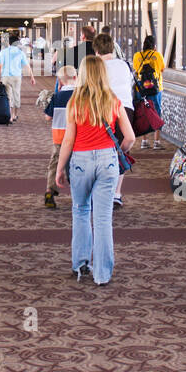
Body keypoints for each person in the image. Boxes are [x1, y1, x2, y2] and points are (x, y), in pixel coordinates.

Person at [55, 54, 135, 286]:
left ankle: (80, 264)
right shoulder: (113, 100)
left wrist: (60, 168)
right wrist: (116, 151)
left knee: (80, 211)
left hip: (80, 160)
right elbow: (129, 138)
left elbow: (68, 140)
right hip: (107, 160)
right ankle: (102, 274)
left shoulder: (75, 102)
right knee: (102, 219)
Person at [93, 32, 135, 208]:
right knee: (121, 148)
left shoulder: (96, 67)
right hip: (126, 107)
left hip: (105, 109)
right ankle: (117, 193)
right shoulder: (125, 65)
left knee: (100, 147)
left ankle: (100, 190)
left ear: (96, 50)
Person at [42, 63, 77, 208]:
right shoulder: (80, 96)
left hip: (59, 136)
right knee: (76, 165)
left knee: (55, 163)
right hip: (76, 137)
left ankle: (50, 191)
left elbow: (48, 117)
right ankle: (79, 193)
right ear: (76, 77)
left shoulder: (57, 97)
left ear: (60, 81)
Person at [0, 29, 36, 122]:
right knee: (16, 94)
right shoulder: (20, 52)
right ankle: (14, 115)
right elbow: (27, 66)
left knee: (8, 96)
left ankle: (9, 116)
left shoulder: (3, 52)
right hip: (17, 77)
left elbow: (0, 66)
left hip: (5, 77)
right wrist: (32, 77)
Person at [133, 34, 166, 149]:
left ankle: (144, 141)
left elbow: (136, 70)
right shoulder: (157, 55)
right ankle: (157, 142)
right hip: (155, 89)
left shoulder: (137, 56)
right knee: (156, 113)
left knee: (143, 113)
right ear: (154, 45)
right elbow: (162, 69)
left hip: (141, 89)